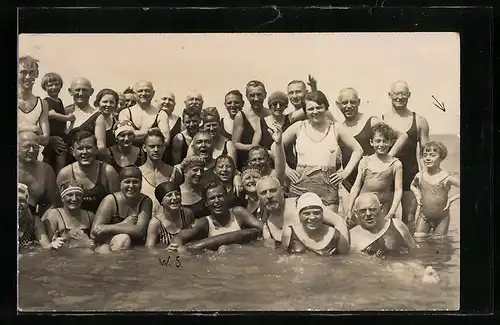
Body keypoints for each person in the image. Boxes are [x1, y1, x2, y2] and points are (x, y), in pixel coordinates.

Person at [280, 91, 363, 212]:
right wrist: (286, 169)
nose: (315, 112)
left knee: (329, 226)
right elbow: (275, 146)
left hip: (327, 186)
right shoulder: (299, 127)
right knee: (296, 225)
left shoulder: (336, 128)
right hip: (300, 184)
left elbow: (358, 150)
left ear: (326, 107)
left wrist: (345, 173)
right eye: (310, 109)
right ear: (305, 111)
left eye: (319, 107)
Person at [335, 87, 408, 192]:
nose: (349, 106)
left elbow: (402, 136)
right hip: (349, 183)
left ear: (359, 102)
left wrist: (387, 159)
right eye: (345, 102)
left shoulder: (371, 121)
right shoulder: (339, 128)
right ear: (338, 104)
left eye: (353, 102)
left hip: (374, 181)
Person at [382, 81, 430, 231]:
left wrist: (426, 178)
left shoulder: (420, 120)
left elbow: (425, 153)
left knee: (409, 218)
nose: (400, 97)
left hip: (410, 173)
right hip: (388, 174)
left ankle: (410, 254)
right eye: (396, 93)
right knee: (385, 216)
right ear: (390, 95)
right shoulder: (382, 119)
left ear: (409, 95)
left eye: (403, 93)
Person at [256, 176, 349, 250]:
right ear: (258, 197)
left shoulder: (303, 205)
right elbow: (276, 256)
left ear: (282, 191)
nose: (268, 196)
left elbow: (340, 222)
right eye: (263, 193)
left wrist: (344, 252)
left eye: (273, 191)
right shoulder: (267, 228)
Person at [170, 182, 263, 251]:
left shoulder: (238, 212)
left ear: (226, 197)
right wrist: (181, 250)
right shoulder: (204, 222)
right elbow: (177, 238)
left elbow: (263, 228)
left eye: (220, 196)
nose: (217, 201)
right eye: (212, 198)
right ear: (206, 203)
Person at [346, 123, 403, 227]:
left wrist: (391, 212)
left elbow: (398, 190)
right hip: (363, 205)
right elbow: (356, 186)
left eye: (385, 141)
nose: (381, 144)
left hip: (383, 206)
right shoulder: (365, 161)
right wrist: (349, 209)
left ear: (391, 142)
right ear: (371, 142)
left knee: (382, 233)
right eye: (378, 141)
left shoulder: (396, 164)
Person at [91, 166, 153, 252]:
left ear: (141, 184)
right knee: (122, 240)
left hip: (134, 248)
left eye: (135, 182)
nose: (131, 186)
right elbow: (94, 234)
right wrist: (125, 224)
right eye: (127, 182)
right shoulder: (110, 200)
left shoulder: (145, 201)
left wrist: (109, 228)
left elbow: (139, 231)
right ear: (120, 183)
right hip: (110, 245)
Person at [56, 130, 120, 213]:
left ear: (96, 149)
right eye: (80, 148)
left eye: (89, 148)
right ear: (73, 151)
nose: (84, 152)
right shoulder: (65, 174)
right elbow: (58, 205)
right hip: (76, 223)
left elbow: (117, 204)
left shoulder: (108, 172)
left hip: (103, 222)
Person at [410, 141, 460, 237]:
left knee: (440, 245)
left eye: (432, 155)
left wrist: (452, 198)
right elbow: (412, 185)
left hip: (442, 218)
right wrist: (416, 193)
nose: (428, 158)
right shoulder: (420, 176)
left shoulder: (447, 178)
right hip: (424, 216)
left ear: (441, 158)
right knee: (419, 240)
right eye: (425, 155)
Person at [281, 192, 350, 255]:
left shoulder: (337, 238)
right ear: (299, 215)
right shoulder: (289, 234)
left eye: (316, 213)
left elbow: (345, 263)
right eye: (306, 213)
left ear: (322, 214)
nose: (312, 217)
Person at [349, 193, 415, 257]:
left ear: (381, 208)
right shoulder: (352, 238)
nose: (368, 214)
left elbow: (414, 251)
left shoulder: (397, 225)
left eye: (372, 209)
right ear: (355, 213)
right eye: (363, 211)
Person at [139, 129, 184, 221]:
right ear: (144, 148)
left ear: (164, 147)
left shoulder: (174, 172)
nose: (156, 150)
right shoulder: (137, 173)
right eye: (152, 146)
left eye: (159, 146)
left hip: (169, 222)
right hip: (145, 222)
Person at [258, 91, 307, 169]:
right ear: (269, 105)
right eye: (274, 104)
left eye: (281, 104)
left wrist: (313, 87)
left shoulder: (290, 118)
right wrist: (270, 153)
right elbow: (255, 147)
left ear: (286, 106)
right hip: (269, 165)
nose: (278, 107)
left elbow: (309, 106)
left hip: (289, 164)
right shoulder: (261, 122)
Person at [41, 180, 95, 249]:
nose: (74, 199)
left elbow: (94, 242)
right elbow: (51, 243)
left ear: (82, 199)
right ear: (62, 198)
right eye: (69, 195)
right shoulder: (54, 215)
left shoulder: (90, 216)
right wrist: (67, 237)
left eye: (78, 195)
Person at [18, 132, 59, 218]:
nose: (32, 150)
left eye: (36, 147)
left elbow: (52, 203)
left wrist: (42, 220)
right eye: (27, 146)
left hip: (32, 217)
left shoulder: (46, 170)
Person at [232, 80, 271, 170]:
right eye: (252, 95)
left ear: (265, 94)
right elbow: (235, 143)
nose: (256, 98)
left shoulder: (271, 114)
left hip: (269, 164)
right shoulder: (241, 116)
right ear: (247, 97)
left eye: (259, 94)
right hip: (247, 165)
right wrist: (255, 148)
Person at [118, 80, 170, 146]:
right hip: (131, 155)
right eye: (140, 91)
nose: (143, 93)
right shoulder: (125, 113)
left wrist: (135, 134)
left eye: (147, 91)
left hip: (155, 155)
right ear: (134, 94)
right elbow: (125, 139)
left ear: (153, 93)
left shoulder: (161, 114)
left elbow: (166, 140)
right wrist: (153, 132)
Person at [40, 72, 73, 174]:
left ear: (60, 85)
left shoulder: (59, 101)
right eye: (50, 85)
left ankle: (59, 177)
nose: (53, 87)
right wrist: (68, 118)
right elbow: (52, 114)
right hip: (52, 135)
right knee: (50, 160)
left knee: (60, 159)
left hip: (60, 135)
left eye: (56, 84)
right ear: (45, 87)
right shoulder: (47, 101)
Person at [145, 181, 195, 248]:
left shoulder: (187, 214)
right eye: (169, 195)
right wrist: (165, 251)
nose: (174, 198)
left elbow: (194, 238)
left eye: (177, 194)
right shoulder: (155, 223)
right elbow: (149, 249)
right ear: (161, 201)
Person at [18, 183, 64, 250]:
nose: (18, 204)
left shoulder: (34, 221)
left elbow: (46, 247)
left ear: (27, 203)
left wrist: (52, 245)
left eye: (22, 200)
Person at [18, 56, 50, 147]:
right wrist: (31, 128)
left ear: (37, 74)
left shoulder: (42, 104)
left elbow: (45, 140)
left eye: (32, 72)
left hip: (31, 156)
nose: (28, 77)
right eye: (23, 73)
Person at [157, 91, 184, 165]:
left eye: (170, 100)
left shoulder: (180, 122)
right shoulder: (152, 118)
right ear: (158, 101)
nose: (167, 102)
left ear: (175, 104)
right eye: (164, 99)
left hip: (171, 163)